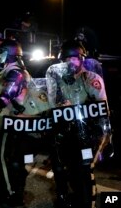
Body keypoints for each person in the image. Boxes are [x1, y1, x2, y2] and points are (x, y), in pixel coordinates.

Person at [0, 39, 50, 207]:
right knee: (9, 160)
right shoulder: (10, 72)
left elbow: (6, 95)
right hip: (16, 117)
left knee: (6, 159)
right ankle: (11, 192)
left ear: (7, 53)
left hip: (24, 124)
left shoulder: (15, 73)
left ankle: (12, 195)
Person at [45, 40, 112, 208]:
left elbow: (103, 110)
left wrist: (103, 138)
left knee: (84, 174)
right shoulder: (57, 81)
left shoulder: (90, 79)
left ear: (81, 59)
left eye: (72, 59)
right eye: (64, 60)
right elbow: (51, 106)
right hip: (66, 134)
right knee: (68, 172)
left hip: (86, 133)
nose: (68, 63)